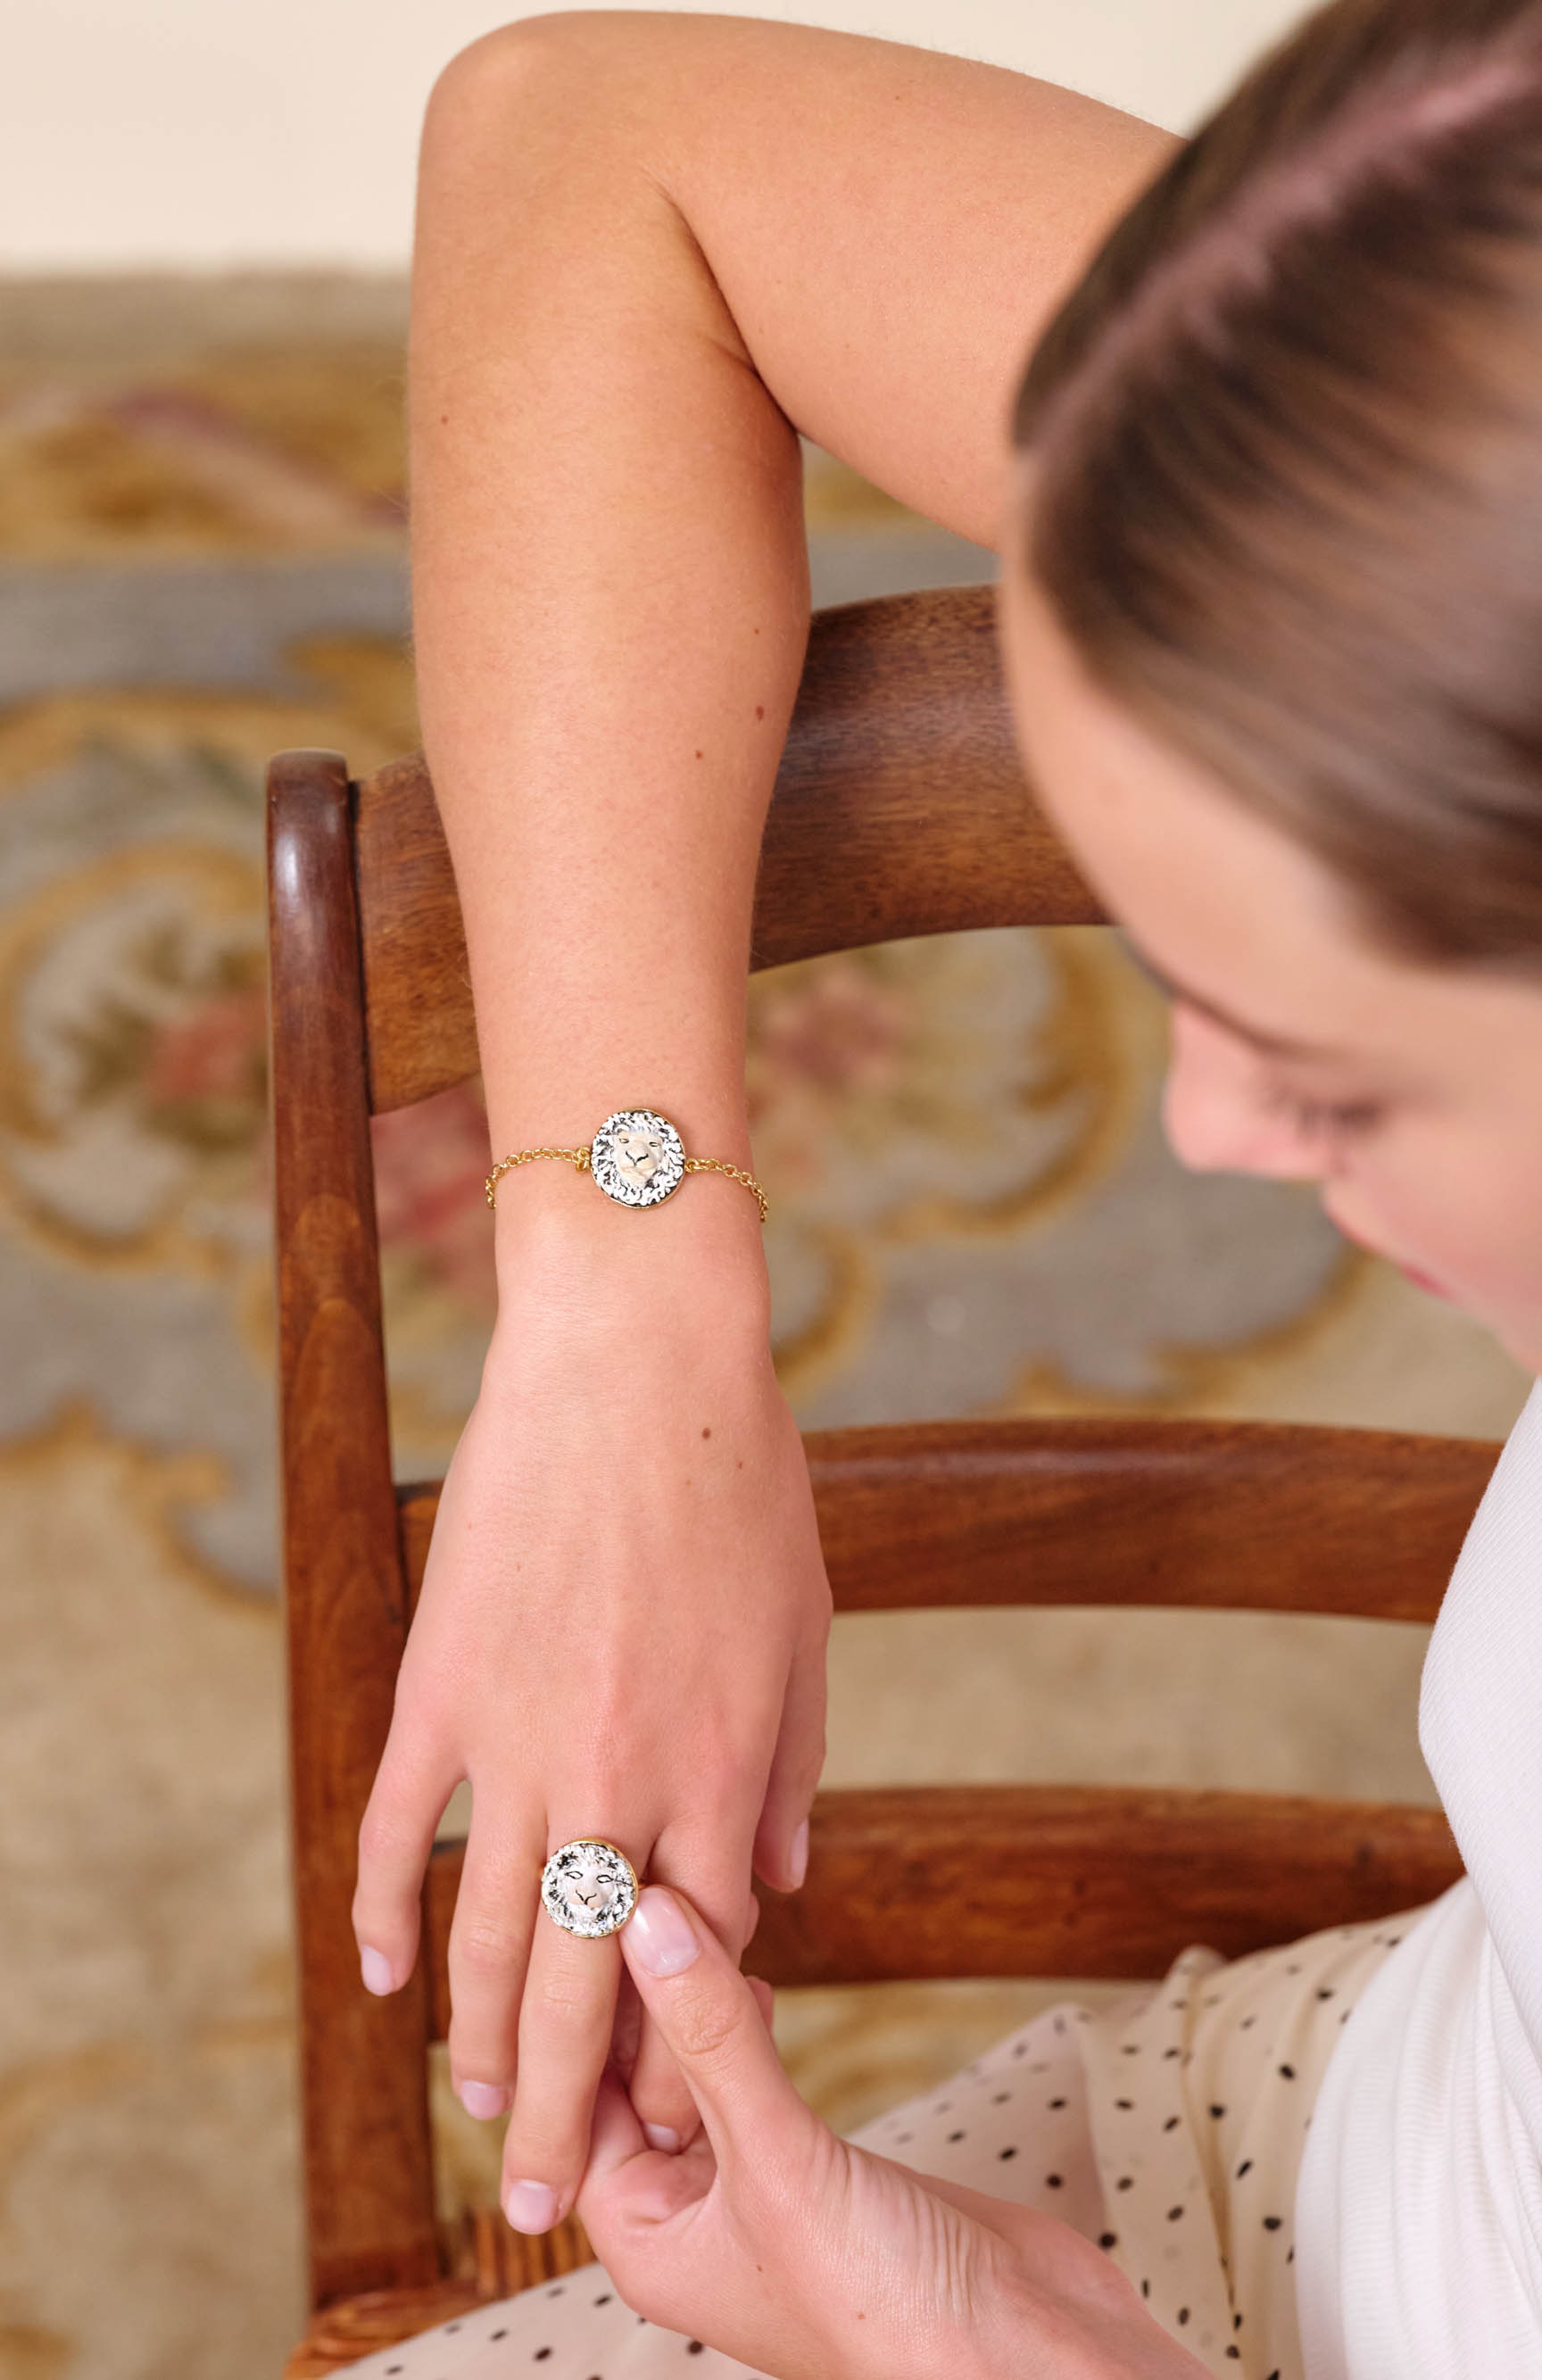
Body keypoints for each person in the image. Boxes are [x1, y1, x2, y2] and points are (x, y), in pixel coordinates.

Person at [338, 3, 1542, 2373]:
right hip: (1376, 2116)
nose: (1207, 1125)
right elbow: (597, 154)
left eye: (1331, 1073)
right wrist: (628, 1299)